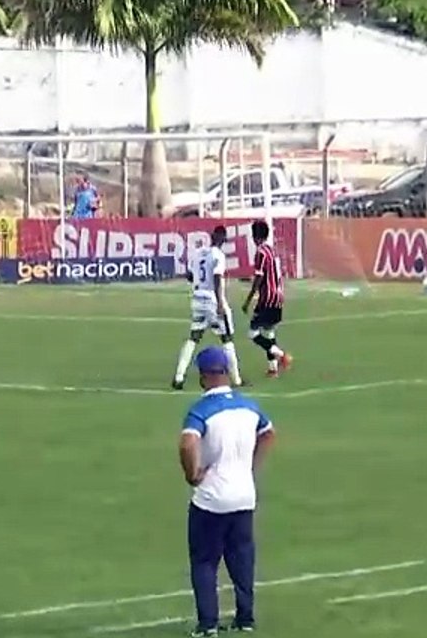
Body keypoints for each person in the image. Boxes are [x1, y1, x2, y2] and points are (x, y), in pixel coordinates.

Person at [180, 346, 275, 636]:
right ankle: (245, 618)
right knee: (242, 557)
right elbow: (268, 433)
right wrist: (251, 468)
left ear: (204, 375)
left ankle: (208, 623)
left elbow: (187, 443)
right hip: (244, 495)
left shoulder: (201, 410)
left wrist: (193, 474)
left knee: (205, 561)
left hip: (211, 499)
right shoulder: (249, 406)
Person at [173, 226, 243, 390]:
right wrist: (219, 302)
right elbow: (217, 277)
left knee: (193, 337)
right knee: (227, 338)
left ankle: (178, 377)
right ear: (223, 240)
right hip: (212, 299)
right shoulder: (218, 255)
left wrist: (198, 279)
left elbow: (189, 275)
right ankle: (237, 380)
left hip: (197, 298)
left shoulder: (198, 253)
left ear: (211, 237)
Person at [241, 220, 292, 377]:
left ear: (255, 237)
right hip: (278, 297)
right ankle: (273, 369)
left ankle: (282, 356)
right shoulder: (272, 251)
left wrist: (248, 300)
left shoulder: (261, 253)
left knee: (253, 333)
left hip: (267, 299)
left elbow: (259, 278)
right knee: (269, 332)